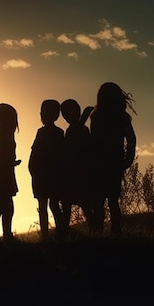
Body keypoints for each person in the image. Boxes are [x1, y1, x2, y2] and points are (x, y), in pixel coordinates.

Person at [90, 82, 137, 236]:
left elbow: (130, 139)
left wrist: (129, 158)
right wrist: (128, 158)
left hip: (104, 162)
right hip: (110, 162)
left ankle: (102, 231)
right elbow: (131, 138)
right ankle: (111, 232)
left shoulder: (98, 116)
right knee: (110, 200)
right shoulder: (118, 117)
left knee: (102, 200)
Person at [29, 100, 66, 240]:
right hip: (46, 175)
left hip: (47, 175)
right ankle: (56, 233)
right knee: (51, 205)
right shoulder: (57, 132)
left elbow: (36, 152)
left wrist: (34, 170)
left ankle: (50, 235)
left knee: (47, 206)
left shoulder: (45, 133)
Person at [0, 103, 21, 241]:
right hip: (0, 172)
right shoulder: (0, 131)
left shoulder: (2, 131)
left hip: (2, 171)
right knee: (1, 206)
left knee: (2, 206)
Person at [60, 99, 94, 231]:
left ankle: (66, 231)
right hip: (75, 173)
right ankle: (66, 230)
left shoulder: (78, 129)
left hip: (78, 173)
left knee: (79, 203)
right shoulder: (77, 129)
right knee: (74, 204)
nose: (67, 117)